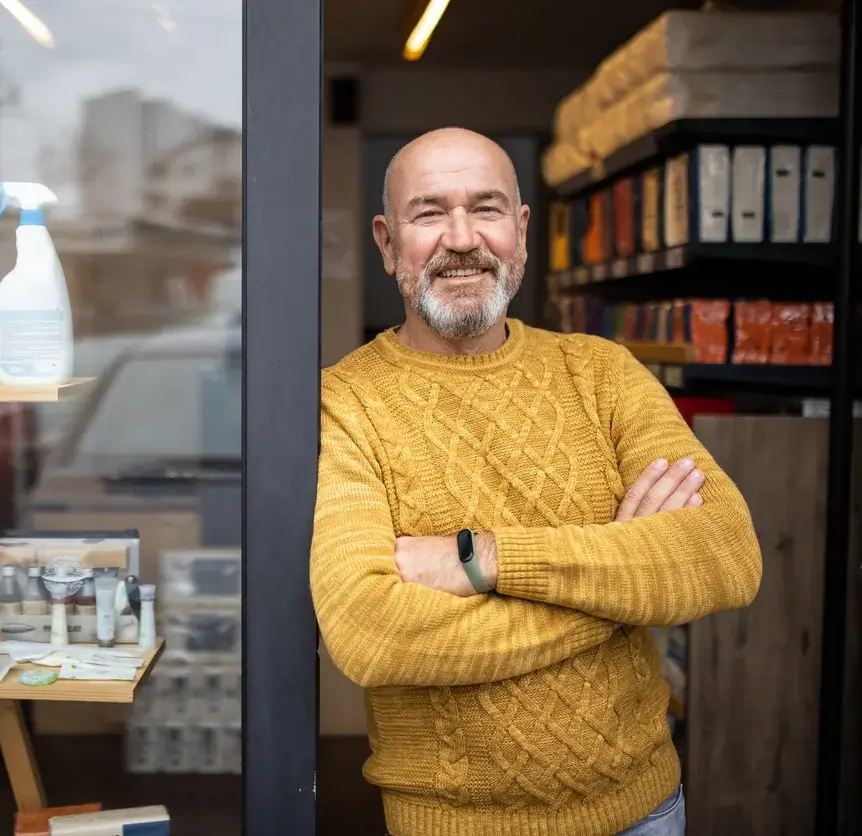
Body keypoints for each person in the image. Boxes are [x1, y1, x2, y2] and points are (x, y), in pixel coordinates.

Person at [310, 127, 762, 836]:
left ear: (519, 232)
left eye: (486, 208)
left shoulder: (603, 373)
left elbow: (727, 555)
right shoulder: (345, 402)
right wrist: (622, 579)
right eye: (429, 213)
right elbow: (371, 632)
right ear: (388, 241)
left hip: (646, 810)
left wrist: (479, 558)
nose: (462, 238)